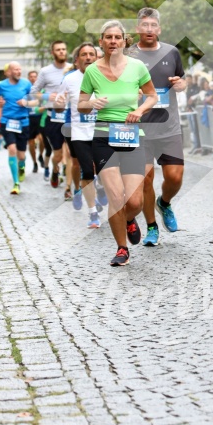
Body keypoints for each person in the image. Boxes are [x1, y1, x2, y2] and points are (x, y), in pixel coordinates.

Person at [78, 20, 157, 265]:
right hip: (103, 136)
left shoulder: (137, 67)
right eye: (108, 37)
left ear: (124, 41)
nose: (113, 41)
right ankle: (122, 249)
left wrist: (141, 110)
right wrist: (91, 104)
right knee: (115, 196)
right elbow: (80, 105)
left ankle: (130, 219)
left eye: (117, 37)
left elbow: (152, 96)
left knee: (134, 201)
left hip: (132, 135)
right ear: (101, 41)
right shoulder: (92, 71)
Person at [129, 7, 186, 246]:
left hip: (168, 126)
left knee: (175, 177)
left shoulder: (172, 52)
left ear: (159, 29)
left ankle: (164, 203)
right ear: (138, 28)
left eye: (153, 26)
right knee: (145, 179)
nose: (149, 30)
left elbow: (182, 79)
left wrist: (180, 84)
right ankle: (152, 227)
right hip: (140, 128)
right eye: (145, 25)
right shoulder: (128, 55)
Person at [55, 42, 105, 228]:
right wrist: (59, 103)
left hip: (102, 131)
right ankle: (93, 213)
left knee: (105, 171)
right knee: (86, 170)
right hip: (79, 132)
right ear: (77, 60)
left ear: (96, 57)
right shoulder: (69, 79)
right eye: (83, 54)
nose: (88, 57)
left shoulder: (106, 75)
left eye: (91, 54)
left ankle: (100, 189)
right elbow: (60, 105)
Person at [30, 40, 71, 188]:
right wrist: (47, 97)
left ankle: (68, 187)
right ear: (53, 52)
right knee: (58, 154)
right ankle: (55, 169)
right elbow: (33, 93)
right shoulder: (45, 71)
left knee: (71, 152)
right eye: (58, 49)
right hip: (52, 117)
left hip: (71, 116)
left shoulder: (73, 69)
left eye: (63, 49)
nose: (61, 52)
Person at [0, 62, 31, 194]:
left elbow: (35, 100)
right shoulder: (1, 85)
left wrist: (26, 102)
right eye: (16, 69)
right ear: (9, 72)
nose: (18, 71)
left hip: (23, 122)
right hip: (7, 122)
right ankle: (16, 183)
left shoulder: (26, 84)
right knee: (12, 149)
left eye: (20, 69)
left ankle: (21, 166)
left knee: (21, 156)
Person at [27, 70, 45, 173]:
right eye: (31, 76)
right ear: (29, 78)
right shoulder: (26, 89)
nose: (33, 78)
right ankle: (34, 163)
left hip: (39, 117)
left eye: (35, 76)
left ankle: (41, 155)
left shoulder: (41, 89)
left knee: (41, 139)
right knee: (31, 143)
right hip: (29, 118)